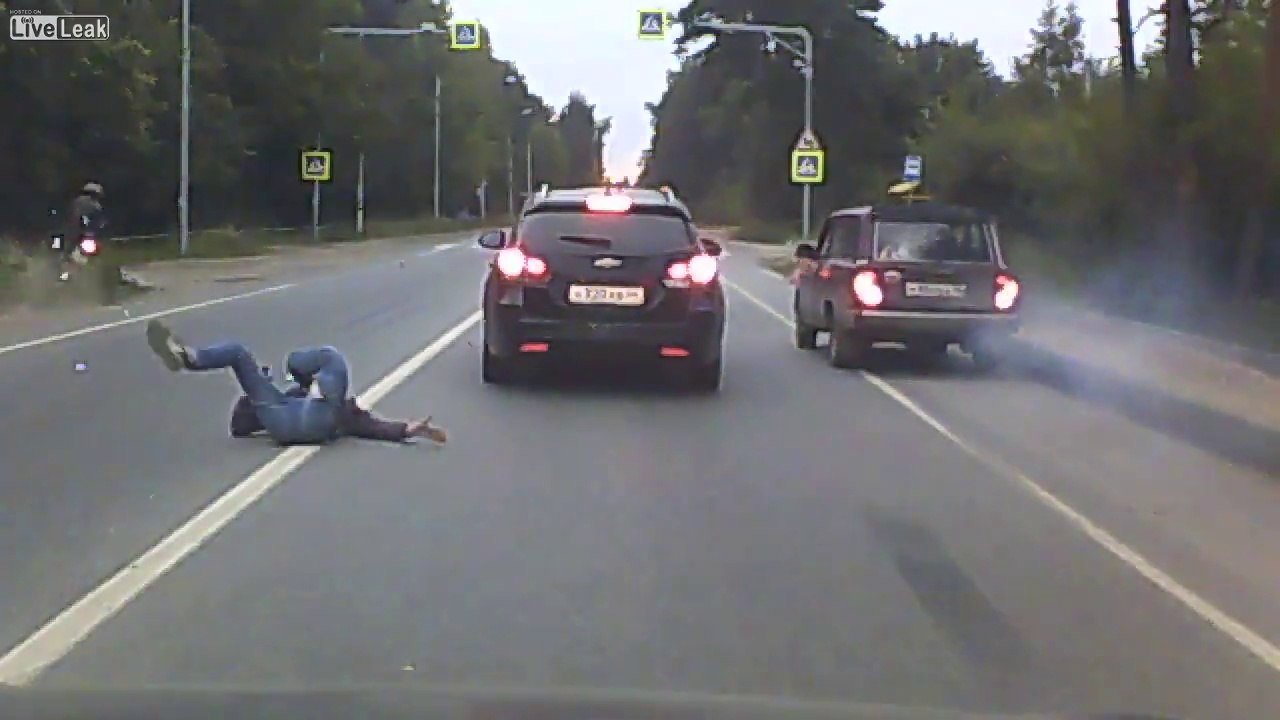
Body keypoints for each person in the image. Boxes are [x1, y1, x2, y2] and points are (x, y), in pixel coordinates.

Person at [145, 319, 446, 446]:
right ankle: (188, 357)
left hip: (279, 423)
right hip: (311, 421)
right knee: (331, 357)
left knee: (237, 352)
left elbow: (239, 427)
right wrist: (406, 429)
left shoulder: (281, 401)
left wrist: (255, 389)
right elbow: (371, 426)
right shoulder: (343, 410)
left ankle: (192, 358)